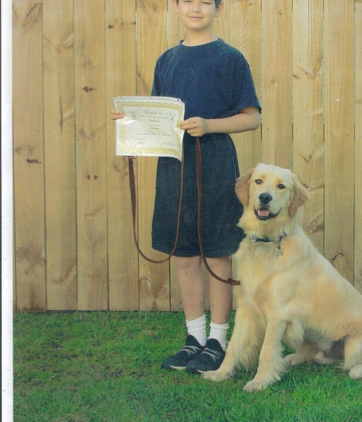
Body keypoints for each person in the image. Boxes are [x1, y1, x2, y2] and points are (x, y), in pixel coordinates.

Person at [110, 0, 261, 374]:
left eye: (205, 3)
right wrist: (130, 121)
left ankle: (218, 341)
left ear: (218, 9)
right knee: (184, 253)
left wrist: (209, 125)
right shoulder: (167, 61)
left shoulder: (231, 59)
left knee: (216, 253)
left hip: (216, 166)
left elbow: (252, 117)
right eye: (188, 1)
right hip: (173, 167)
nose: (196, 8)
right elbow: (159, 118)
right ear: (176, 7)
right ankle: (194, 336)